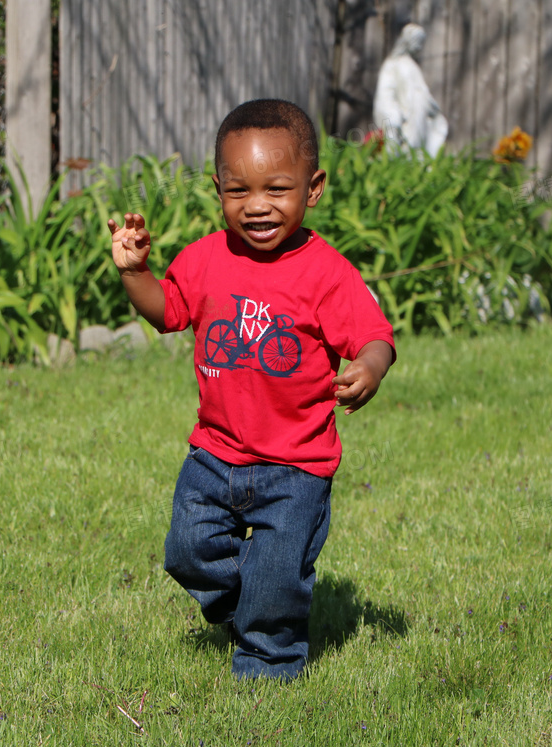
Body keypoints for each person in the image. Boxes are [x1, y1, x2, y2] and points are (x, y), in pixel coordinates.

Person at [108, 99, 395, 681]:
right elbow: (166, 312)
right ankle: (247, 606)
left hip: (296, 467)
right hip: (214, 454)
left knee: (275, 575)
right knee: (186, 550)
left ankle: (267, 670)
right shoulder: (204, 259)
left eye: (277, 189)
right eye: (239, 191)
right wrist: (135, 272)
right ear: (218, 188)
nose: (257, 206)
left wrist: (370, 365)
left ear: (313, 189)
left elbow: (374, 334)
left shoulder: (326, 272)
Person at [373, 23, 449, 157]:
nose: (419, 46)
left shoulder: (412, 66)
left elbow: (422, 92)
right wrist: (392, 113)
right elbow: (385, 92)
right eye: (416, 41)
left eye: (421, 42)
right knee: (402, 154)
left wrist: (432, 108)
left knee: (419, 154)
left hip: (419, 119)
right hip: (404, 119)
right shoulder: (392, 64)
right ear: (407, 40)